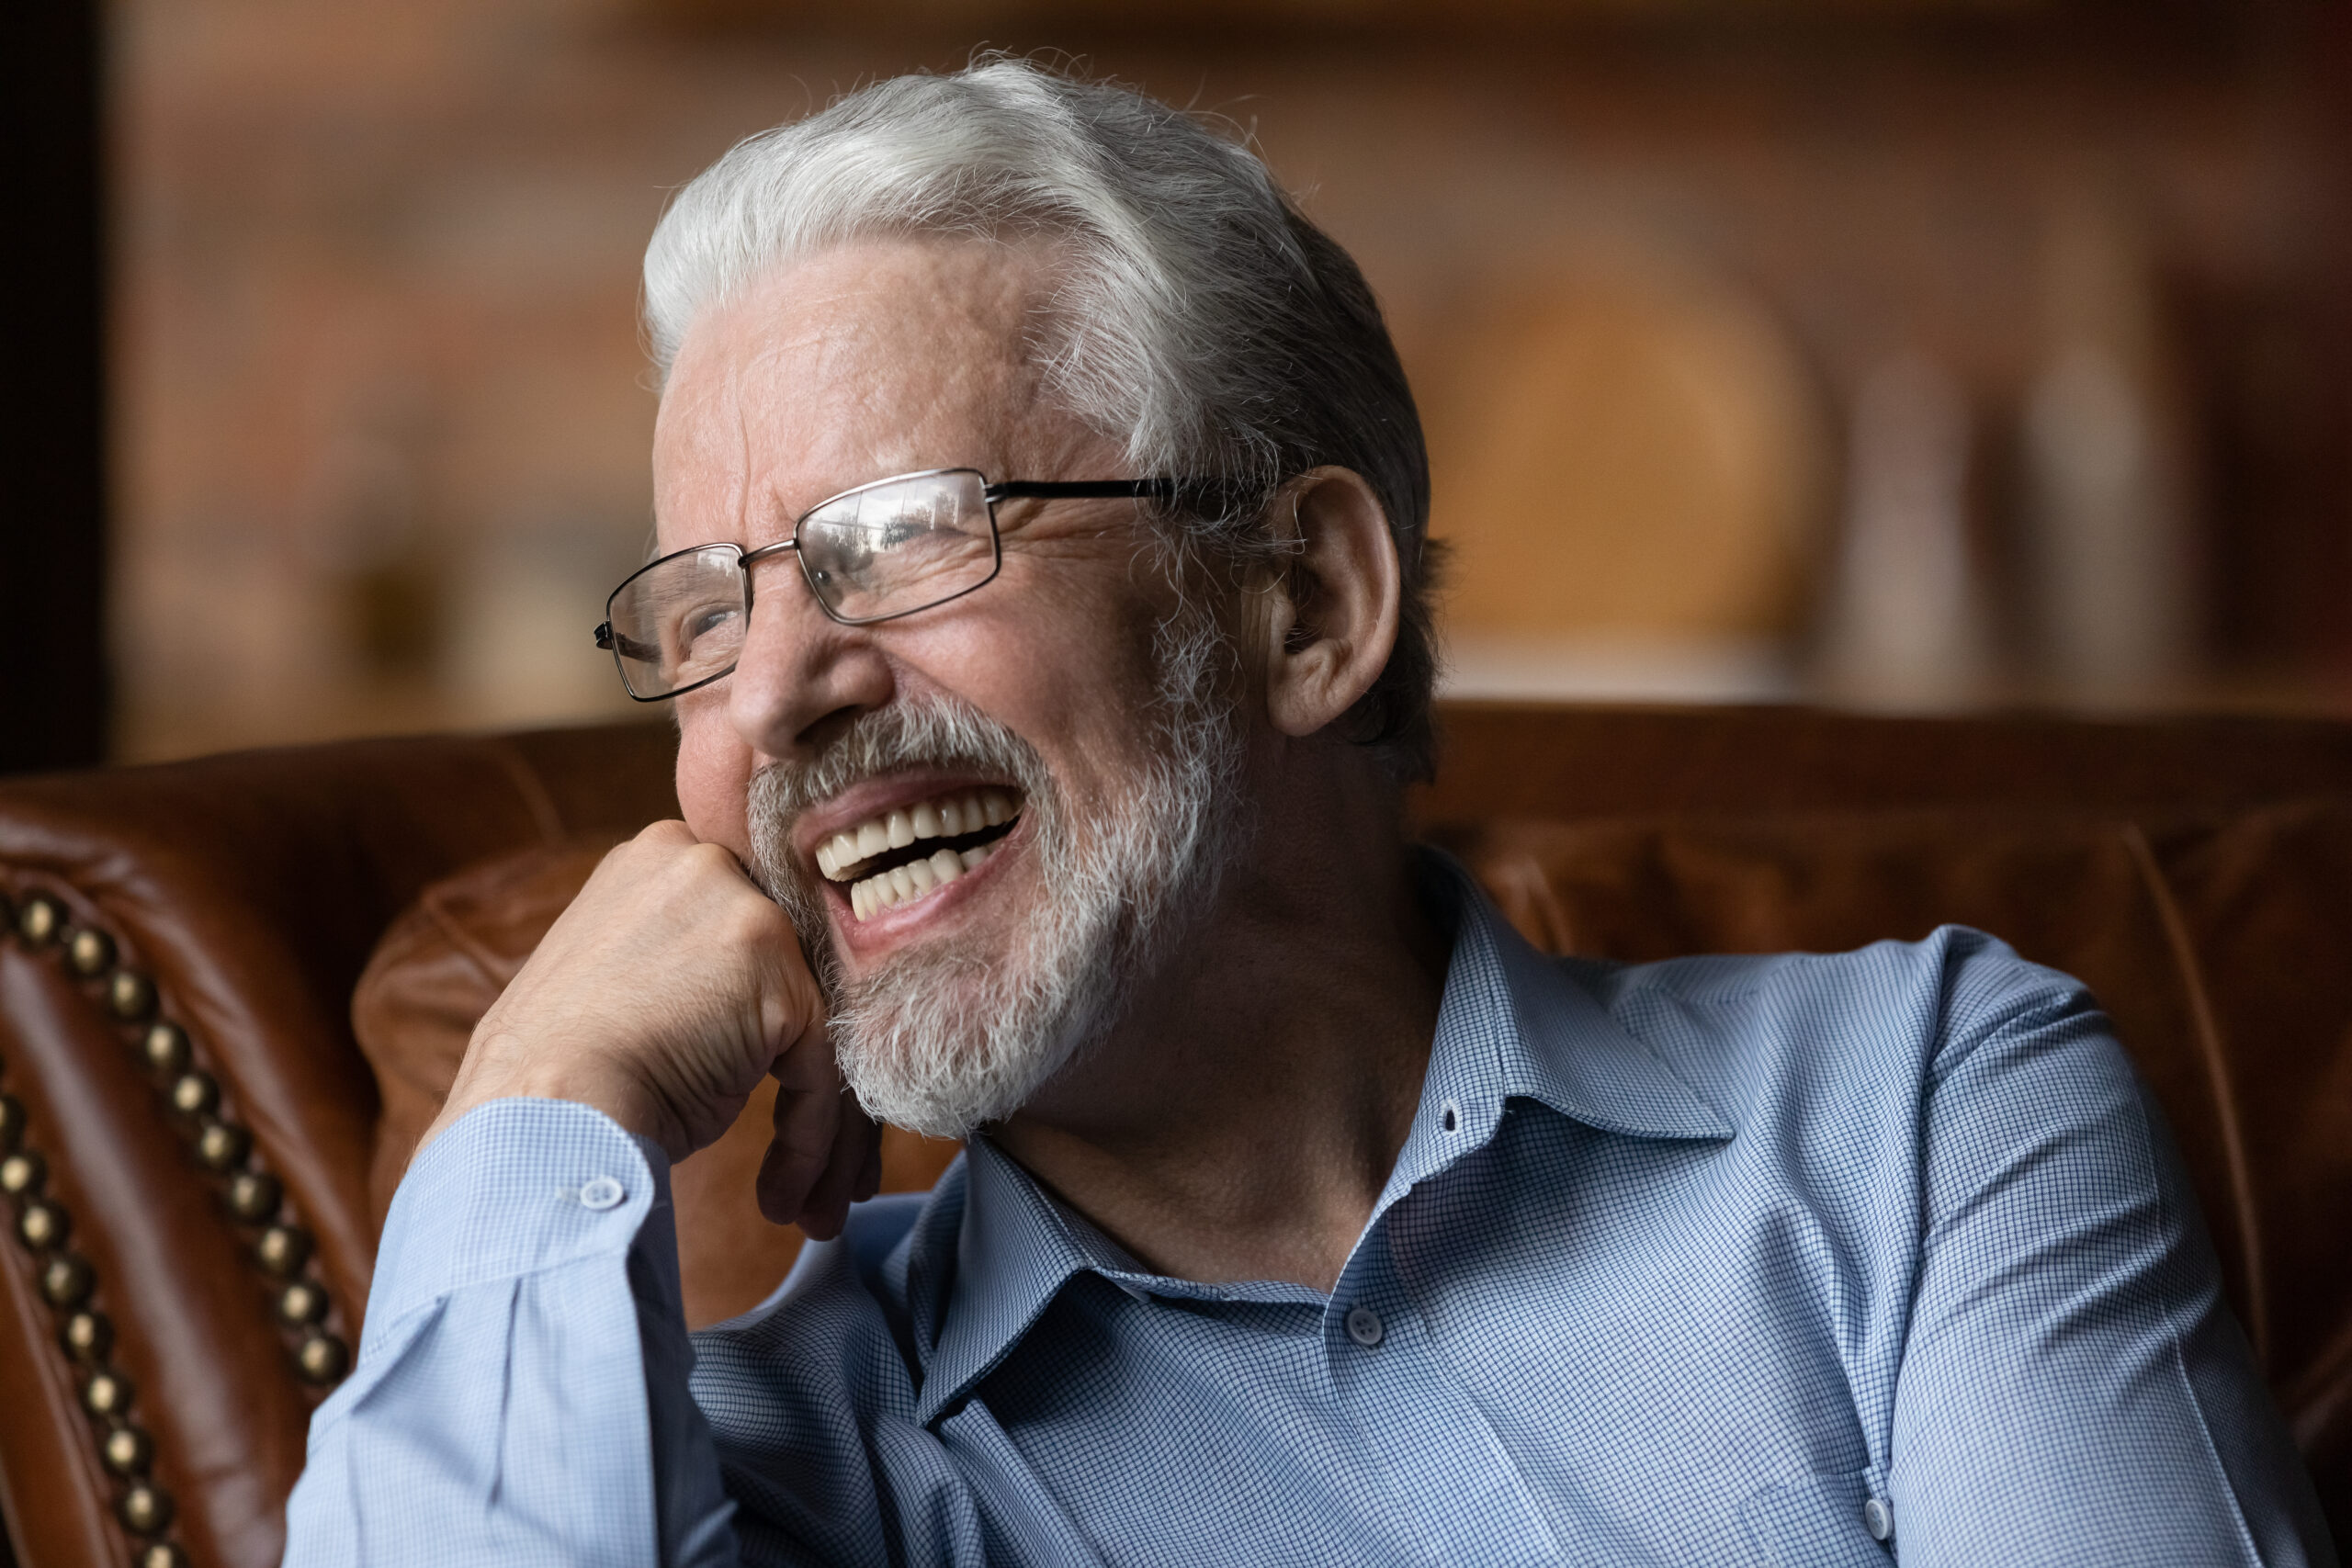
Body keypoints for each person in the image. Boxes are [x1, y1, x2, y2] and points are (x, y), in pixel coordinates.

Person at [283, 59, 2335, 1567]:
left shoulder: (1921, 1120)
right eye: (708, 609)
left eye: (899, 540)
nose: (774, 688)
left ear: (1303, 604)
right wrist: (534, 1091)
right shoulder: (777, 1470)